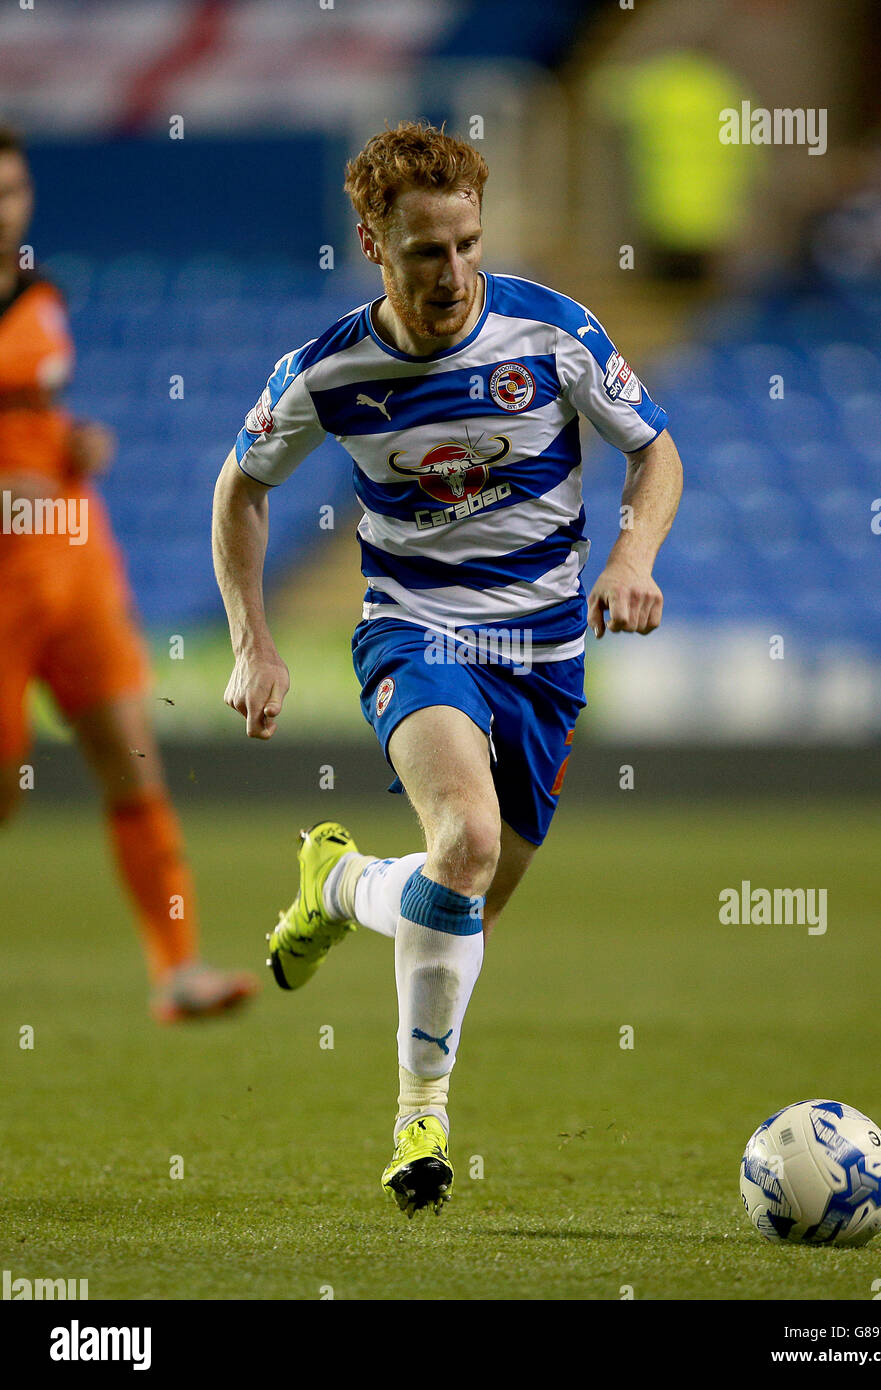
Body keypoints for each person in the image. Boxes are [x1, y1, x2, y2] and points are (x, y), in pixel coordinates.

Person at [212, 121, 682, 1216]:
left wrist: (629, 551)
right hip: (416, 635)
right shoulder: (328, 371)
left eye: (468, 242)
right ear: (374, 244)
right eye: (427, 251)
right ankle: (418, 1119)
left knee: (455, 901)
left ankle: (334, 883)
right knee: (462, 843)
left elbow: (653, 447)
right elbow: (242, 487)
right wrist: (251, 638)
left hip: (546, 661)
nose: (455, 272)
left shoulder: (550, 333)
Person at [0, 124, 258, 1023]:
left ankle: (177, 968)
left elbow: (33, 420)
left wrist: (70, 448)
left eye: (15, 191)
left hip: (71, 555)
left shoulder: (42, 298)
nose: (7, 210)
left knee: (131, 755)